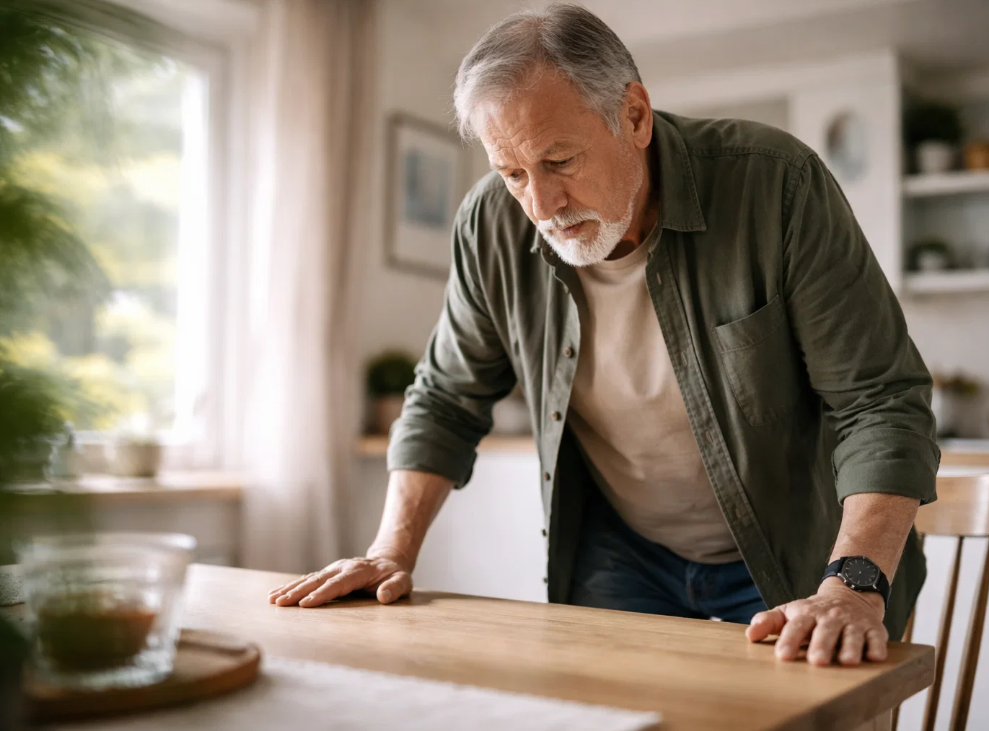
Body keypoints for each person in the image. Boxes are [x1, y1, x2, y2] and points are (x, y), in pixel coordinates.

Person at [269, 3, 939, 668]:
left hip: (803, 553)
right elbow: (446, 397)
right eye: (513, 174)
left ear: (636, 116)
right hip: (625, 552)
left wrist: (852, 583)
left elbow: (879, 400)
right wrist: (390, 551)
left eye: (559, 160)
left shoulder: (775, 185)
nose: (542, 207)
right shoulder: (491, 225)